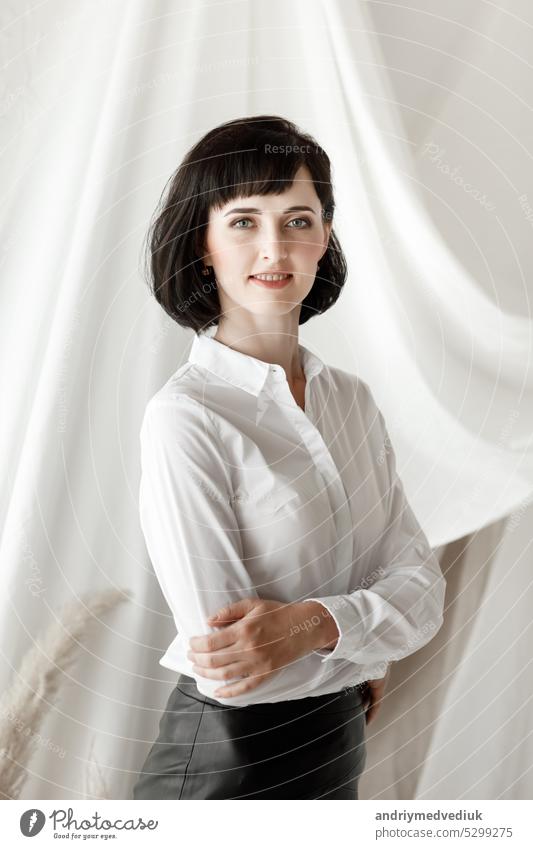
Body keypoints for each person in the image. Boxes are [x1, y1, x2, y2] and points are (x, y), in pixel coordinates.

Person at [132, 115, 446, 800]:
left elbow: (423, 591)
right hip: (224, 767)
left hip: (337, 744)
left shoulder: (352, 403)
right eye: (243, 221)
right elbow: (232, 665)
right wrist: (363, 636)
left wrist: (310, 626)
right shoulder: (186, 418)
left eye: (297, 219)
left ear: (323, 237)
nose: (274, 247)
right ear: (204, 245)